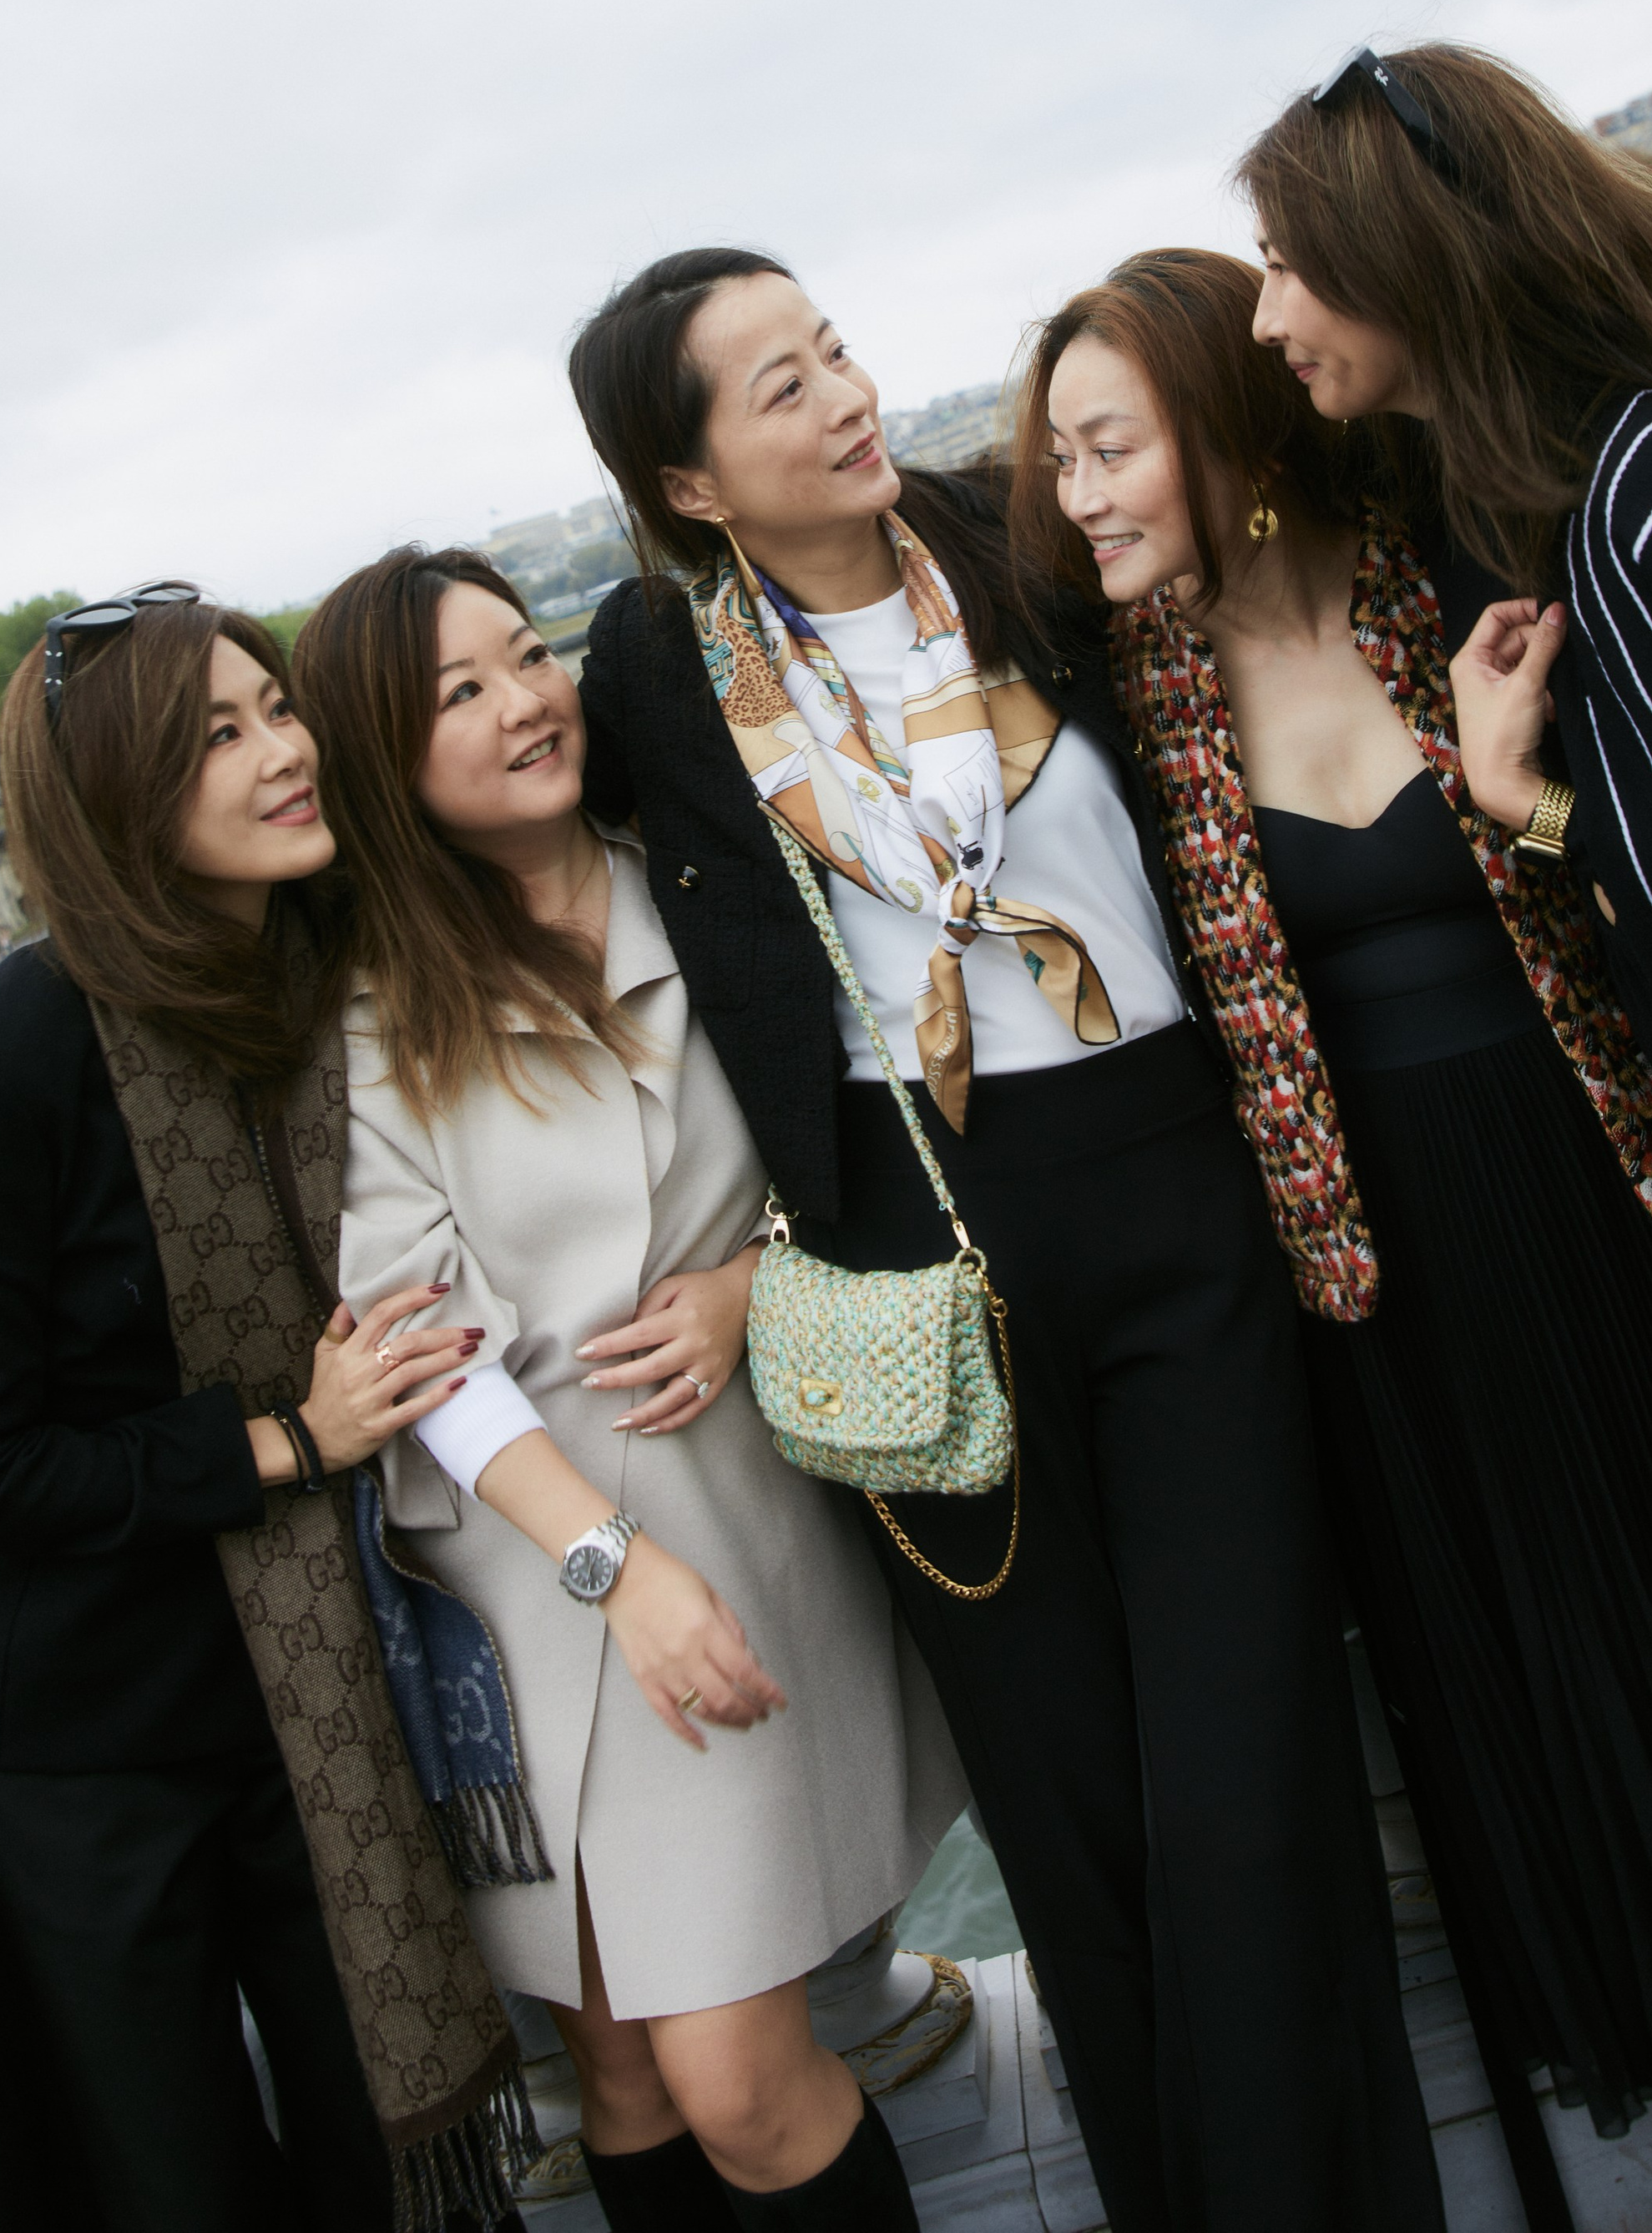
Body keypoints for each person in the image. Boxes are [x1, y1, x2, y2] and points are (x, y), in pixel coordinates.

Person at [558, 248, 1444, 2233]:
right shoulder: (649, 668)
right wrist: (723, 1254)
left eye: (835, 350)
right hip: (918, 1257)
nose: (841, 395)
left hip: (1178, 1194)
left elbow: (1260, 549)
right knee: (1075, 1819)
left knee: (1249, 1779)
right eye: (778, 388)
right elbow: (542, 904)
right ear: (692, 483)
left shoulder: (1017, 548)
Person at [1033, 238, 1652, 2233]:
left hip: (1630, 1204)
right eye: (1053, 463)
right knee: (1580, 1698)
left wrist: (1513, 794)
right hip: (1391, 1283)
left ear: (1226, 431)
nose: (1074, 499)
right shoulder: (1105, 717)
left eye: (1103, 445)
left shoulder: (1473, 570)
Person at [291, 546, 962, 2233]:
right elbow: (416, 1345)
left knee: (738, 2080)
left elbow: (871, 1135)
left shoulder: (705, 886)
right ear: (385, 756)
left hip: (737, 1519)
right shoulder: (369, 1014)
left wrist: (747, 1283)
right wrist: (608, 1567)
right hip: (531, 1587)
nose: (524, 700)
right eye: (459, 691)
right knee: (623, 2077)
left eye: (525, 654)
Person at [0, 586, 528, 2233]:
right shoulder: (8, 1061)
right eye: (218, 737)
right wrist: (288, 1441)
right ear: (113, 799)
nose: (283, 753)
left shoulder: (329, 974)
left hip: (311, 1690)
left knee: (373, 2143)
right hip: (89, 1740)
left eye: (278, 709)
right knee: (166, 2181)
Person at [1236, 40, 1652, 1415]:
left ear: (1399, 249)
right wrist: (1523, 799)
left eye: (1284, 263)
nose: (1266, 320)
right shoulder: (1596, 499)